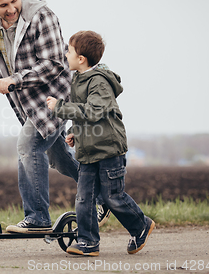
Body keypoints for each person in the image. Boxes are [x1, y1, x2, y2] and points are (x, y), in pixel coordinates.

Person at [0, 0, 109, 233]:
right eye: (2, 5)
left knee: (28, 146)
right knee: (59, 158)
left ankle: (38, 218)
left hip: (56, 96)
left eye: (14, 0)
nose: (11, 9)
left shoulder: (42, 16)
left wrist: (15, 79)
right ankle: (105, 196)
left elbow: (54, 64)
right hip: (26, 102)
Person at [47, 30, 155, 256]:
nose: (65, 54)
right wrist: (74, 132)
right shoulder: (78, 79)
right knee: (84, 198)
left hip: (108, 150)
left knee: (112, 197)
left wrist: (59, 107)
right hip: (88, 151)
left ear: (81, 59)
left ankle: (141, 225)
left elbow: (95, 111)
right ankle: (88, 242)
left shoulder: (99, 82)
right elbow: (83, 114)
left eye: (68, 51)